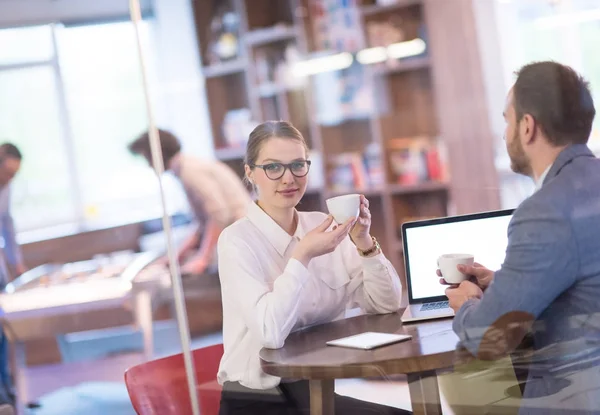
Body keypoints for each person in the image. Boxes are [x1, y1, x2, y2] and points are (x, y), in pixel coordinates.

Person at [441, 61, 599, 414]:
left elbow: (490, 338)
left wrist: (467, 302)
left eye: (507, 120)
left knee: (469, 385)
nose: (504, 132)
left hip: (574, 399)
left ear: (527, 127)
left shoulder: (544, 211)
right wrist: (502, 283)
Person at [216, 121, 406, 414]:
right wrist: (301, 257)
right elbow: (270, 333)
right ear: (250, 172)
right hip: (258, 399)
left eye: (297, 165)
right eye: (273, 167)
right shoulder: (236, 241)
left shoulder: (321, 224)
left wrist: (364, 242)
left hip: (314, 388)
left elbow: (387, 303)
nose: (288, 178)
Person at [128, 129, 252, 275]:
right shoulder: (186, 167)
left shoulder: (190, 171)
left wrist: (203, 258)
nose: (149, 165)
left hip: (243, 241)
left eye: (146, 158)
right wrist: (177, 256)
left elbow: (219, 215)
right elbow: (203, 223)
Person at [0, 143, 26, 283]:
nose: (10, 178)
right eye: (8, 173)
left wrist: (17, 262)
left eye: (14, 174)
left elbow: (7, 224)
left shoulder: (6, 187)